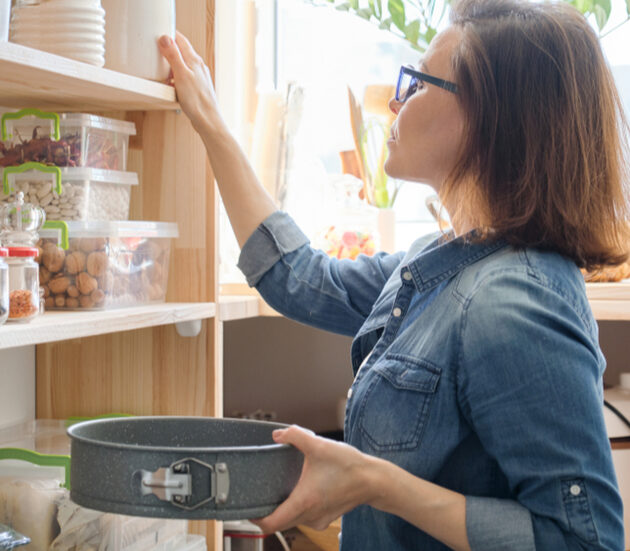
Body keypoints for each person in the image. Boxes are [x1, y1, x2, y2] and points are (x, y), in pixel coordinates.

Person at [158, 0, 629, 548]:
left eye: (418, 82)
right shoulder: (438, 261)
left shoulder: (514, 302)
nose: (394, 103)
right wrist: (211, 122)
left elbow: (583, 540)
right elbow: (298, 277)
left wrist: (376, 484)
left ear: (485, 118)